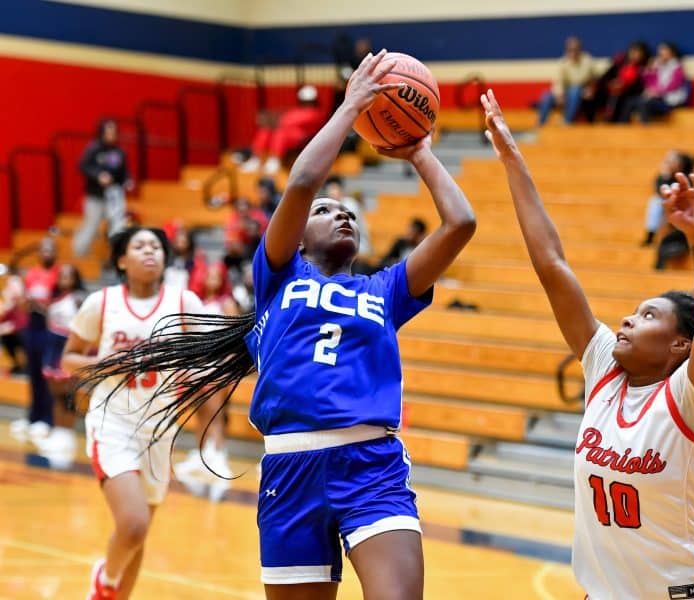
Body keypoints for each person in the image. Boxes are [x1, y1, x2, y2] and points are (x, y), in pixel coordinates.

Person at [76, 49, 476, 600]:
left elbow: (461, 223)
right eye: (324, 211)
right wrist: (350, 107)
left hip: (370, 465)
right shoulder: (279, 276)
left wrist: (421, 152)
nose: (341, 214)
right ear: (297, 236)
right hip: (290, 468)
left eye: (348, 212)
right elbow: (304, 180)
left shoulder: (386, 289)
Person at [482, 89, 694, 600]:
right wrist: (512, 159)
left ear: (680, 346)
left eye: (649, 315)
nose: (629, 319)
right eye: (634, 311)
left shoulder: (685, 399)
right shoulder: (605, 370)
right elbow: (551, 266)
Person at [62, 227, 205, 600]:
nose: (149, 251)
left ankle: (112, 592)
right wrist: (103, 364)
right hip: (113, 422)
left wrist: (193, 370)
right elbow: (68, 358)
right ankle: (105, 580)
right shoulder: (102, 302)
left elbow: (207, 357)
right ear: (122, 260)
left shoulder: (184, 301)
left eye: (156, 246)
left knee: (137, 535)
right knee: (133, 523)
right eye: (139, 246)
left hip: (160, 428)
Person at [174, 261, 238, 501]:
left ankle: (219, 458)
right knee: (200, 412)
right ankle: (200, 456)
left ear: (222, 279)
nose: (211, 279)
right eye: (208, 275)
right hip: (196, 363)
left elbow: (235, 337)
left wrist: (227, 365)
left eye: (216, 276)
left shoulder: (227, 303)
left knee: (215, 414)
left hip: (217, 364)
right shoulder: (198, 301)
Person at [32, 263, 87, 469]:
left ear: (75, 278)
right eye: (62, 275)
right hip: (51, 345)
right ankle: (58, 432)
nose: (64, 278)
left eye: (69, 275)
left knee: (68, 395)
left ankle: (67, 434)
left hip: (68, 345)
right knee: (55, 393)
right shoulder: (54, 297)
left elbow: (85, 327)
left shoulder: (79, 298)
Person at [10, 238, 59, 442]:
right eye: (43, 249)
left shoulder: (59, 274)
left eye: (50, 249)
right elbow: (24, 306)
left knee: (46, 374)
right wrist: (22, 299)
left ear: (56, 252)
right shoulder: (31, 274)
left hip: (51, 329)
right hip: (32, 327)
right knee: (33, 374)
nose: (46, 252)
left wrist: (40, 305)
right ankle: (33, 417)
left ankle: (47, 419)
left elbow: (57, 305)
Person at [73, 119, 132, 257]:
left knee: (118, 225)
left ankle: (116, 255)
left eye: (113, 132)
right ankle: (79, 255)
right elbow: (82, 165)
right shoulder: (94, 149)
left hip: (114, 196)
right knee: (92, 225)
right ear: (101, 132)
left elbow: (123, 172)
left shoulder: (119, 151)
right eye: (108, 132)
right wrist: (98, 175)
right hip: (96, 196)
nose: (111, 135)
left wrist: (127, 180)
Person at [244, 86, 329, 175]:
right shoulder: (297, 110)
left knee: (280, 133)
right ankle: (256, 159)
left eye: (309, 100)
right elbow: (286, 119)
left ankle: (275, 160)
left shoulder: (317, 113)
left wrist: (273, 121)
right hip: (287, 132)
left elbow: (287, 120)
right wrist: (274, 122)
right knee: (265, 130)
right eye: (304, 100)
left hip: (302, 138)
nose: (307, 102)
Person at [620, 42, 689, 123]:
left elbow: (674, 85)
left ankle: (646, 127)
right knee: (630, 101)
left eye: (664, 50)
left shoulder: (677, 67)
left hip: (670, 100)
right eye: (660, 51)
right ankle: (623, 126)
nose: (661, 53)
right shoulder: (659, 66)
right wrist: (649, 70)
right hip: (657, 97)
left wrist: (657, 92)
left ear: (672, 52)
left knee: (643, 104)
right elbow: (651, 83)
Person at [583, 41, 650, 123]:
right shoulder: (619, 64)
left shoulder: (643, 69)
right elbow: (604, 78)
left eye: (637, 52)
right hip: (608, 92)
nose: (634, 54)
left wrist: (624, 86)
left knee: (619, 99)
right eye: (632, 51)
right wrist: (610, 83)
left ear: (643, 55)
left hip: (625, 96)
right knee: (590, 96)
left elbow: (640, 88)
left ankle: (612, 123)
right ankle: (591, 123)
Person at [537, 36, 595, 126]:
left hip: (581, 92)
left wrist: (590, 88)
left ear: (580, 49)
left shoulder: (587, 60)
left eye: (576, 49)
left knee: (574, 90)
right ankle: (541, 124)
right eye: (570, 49)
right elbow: (558, 81)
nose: (573, 52)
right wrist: (559, 95)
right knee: (546, 95)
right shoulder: (562, 62)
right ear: (566, 50)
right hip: (564, 92)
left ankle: (566, 122)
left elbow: (594, 77)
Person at [642, 150, 694, 246]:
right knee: (655, 201)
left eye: (672, 161)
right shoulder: (663, 176)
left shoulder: (687, 176)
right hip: (668, 202)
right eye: (667, 161)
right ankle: (651, 234)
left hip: (684, 204)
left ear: (681, 164)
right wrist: (665, 177)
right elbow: (659, 191)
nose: (669, 164)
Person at [322, 175, 371, 256]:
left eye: (334, 189)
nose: (332, 192)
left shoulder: (351, 204)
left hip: (358, 243)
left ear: (341, 190)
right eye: (329, 189)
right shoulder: (328, 206)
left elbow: (347, 232)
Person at [223, 197, 268, 277]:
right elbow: (230, 243)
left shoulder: (258, 217)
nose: (242, 213)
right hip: (241, 255)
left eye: (245, 210)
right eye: (240, 211)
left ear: (249, 209)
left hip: (258, 250)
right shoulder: (233, 221)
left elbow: (264, 236)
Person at [0, 267, 27, 375]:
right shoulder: (5, 300)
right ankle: (17, 365)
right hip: (9, 331)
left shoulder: (23, 303)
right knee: (6, 337)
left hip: (21, 329)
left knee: (22, 338)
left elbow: (22, 321)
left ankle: (27, 366)